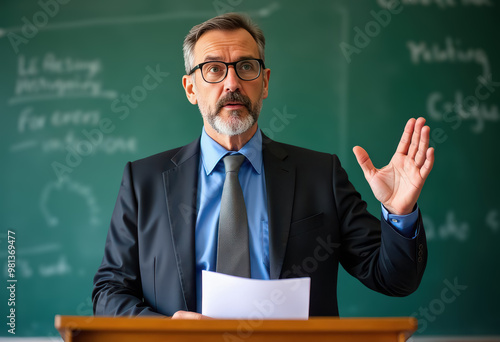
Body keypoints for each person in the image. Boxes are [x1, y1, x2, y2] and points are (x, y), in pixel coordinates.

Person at [92, 13, 434, 319]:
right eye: (213, 69)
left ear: (265, 82)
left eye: (246, 66)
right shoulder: (144, 181)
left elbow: (396, 280)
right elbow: (109, 292)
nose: (232, 83)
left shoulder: (320, 175)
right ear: (190, 88)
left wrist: (398, 213)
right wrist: (167, 331)